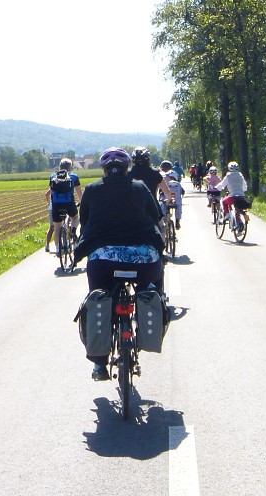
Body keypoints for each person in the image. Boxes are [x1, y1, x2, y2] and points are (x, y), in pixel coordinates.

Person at [73, 148, 165, 381]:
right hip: (143, 261)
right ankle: (154, 297)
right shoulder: (140, 188)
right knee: (155, 279)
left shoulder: (92, 190)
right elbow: (155, 217)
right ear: (127, 169)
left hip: (103, 261)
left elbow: (84, 221)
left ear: (103, 169)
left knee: (99, 295)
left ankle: (100, 365)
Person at [45, 158, 83, 254]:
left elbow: (51, 191)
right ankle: (73, 231)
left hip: (56, 205)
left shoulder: (53, 176)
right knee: (75, 218)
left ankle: (58, 249)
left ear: (60, 166)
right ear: (70, 167)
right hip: (69, 203)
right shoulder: (74, 177)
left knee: (57, 227)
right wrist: (81, 202)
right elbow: (79, 193)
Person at [218, 161, 250, 228]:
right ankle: (240, 224)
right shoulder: (240, 175)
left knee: (223, 201)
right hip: (241, 196)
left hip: (233, 196)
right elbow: (245, 187)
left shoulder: (228, 175)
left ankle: (227, 214)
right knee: (237, 210)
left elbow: (222, 184)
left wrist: (218, 188)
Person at [160, 160, 184, 230]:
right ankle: (177, 221)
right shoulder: (174, 173)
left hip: (165, 195)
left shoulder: (160, 174)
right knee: (178, 205)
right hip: (176, 196)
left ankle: (164, 220)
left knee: (162, 205)